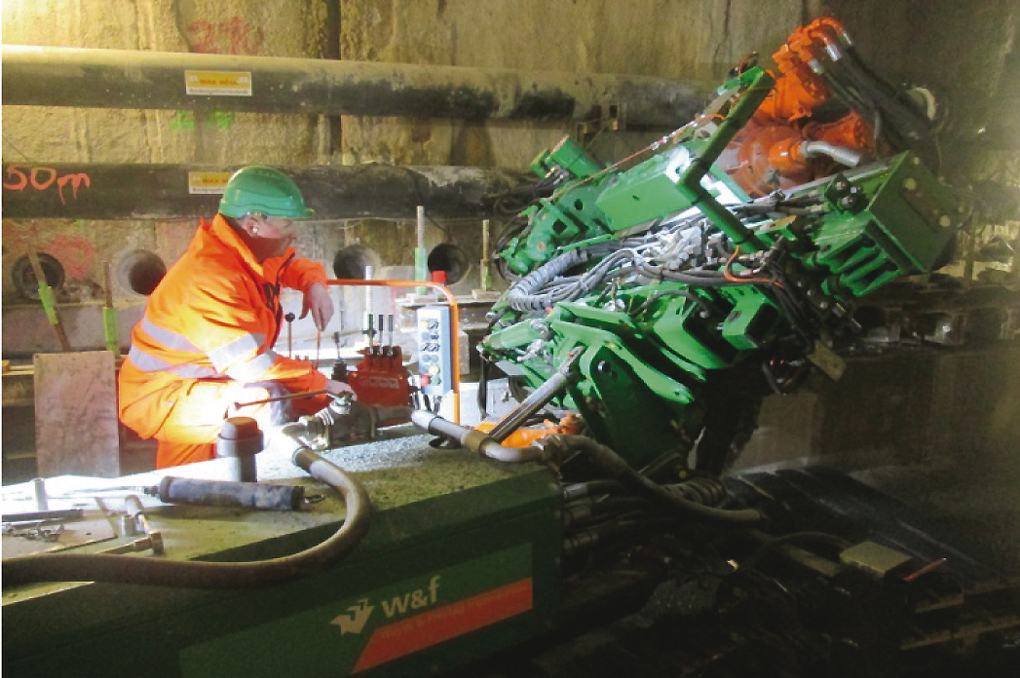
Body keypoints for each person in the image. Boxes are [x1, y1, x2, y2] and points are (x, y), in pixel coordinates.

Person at [118, 166, 352, 468]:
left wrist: (314, 284)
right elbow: (255, 366)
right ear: (254, 224)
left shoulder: (244, 253)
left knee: (190, 479)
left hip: (198, 384)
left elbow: (290, 266)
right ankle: (274, 482)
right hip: (163, 397)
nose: (293, 232)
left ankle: (188, 494)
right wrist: (324, 385)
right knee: (263, 403)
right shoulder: (211, 278)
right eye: (287, 223)